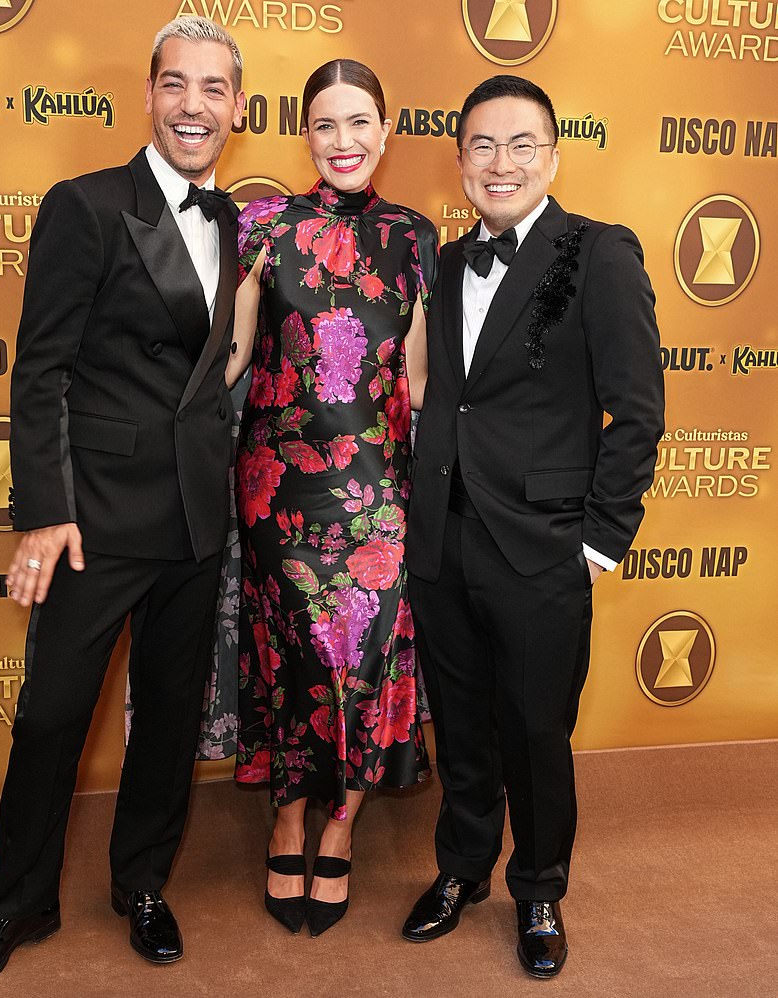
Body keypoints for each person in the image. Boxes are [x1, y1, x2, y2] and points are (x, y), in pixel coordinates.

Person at [0, 17, 244, 993]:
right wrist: (43, 508)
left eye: (214, 90)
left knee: (166, 722)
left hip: (196, 517)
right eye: (177, 86)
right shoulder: (87, 205)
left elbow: (211, 369)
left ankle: (141, 882)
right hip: (91, 520)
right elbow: (40, 370)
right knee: (52, 716)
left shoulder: (234, 222)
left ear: (236, 108)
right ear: (149, 94)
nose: (195, 105)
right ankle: (16, 903)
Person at [400, 75, 663, 978]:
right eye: (482, 145)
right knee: (462, 726)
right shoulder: (441, 262)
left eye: (520, 145)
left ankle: (540, 887)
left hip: (544, 544)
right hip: (442, 538)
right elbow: (447, 398)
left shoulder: (597, 252)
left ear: (553, 155)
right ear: (461, 158)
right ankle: (462, 868)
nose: (500, 162)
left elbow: (637, 413)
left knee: (536, 729)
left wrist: (597, 542)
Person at [227, 59, 438, 938]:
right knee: (293, 661)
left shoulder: (416, 236)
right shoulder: (262, 225)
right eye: (325, 125)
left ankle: (341, 825)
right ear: (304, 134)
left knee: (367, 662)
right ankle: (286, 813)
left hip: (381, 493)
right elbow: (234, 358)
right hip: (278, 489)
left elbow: (418, 383)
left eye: (360, 123)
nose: (343, 141)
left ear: (385, 131)